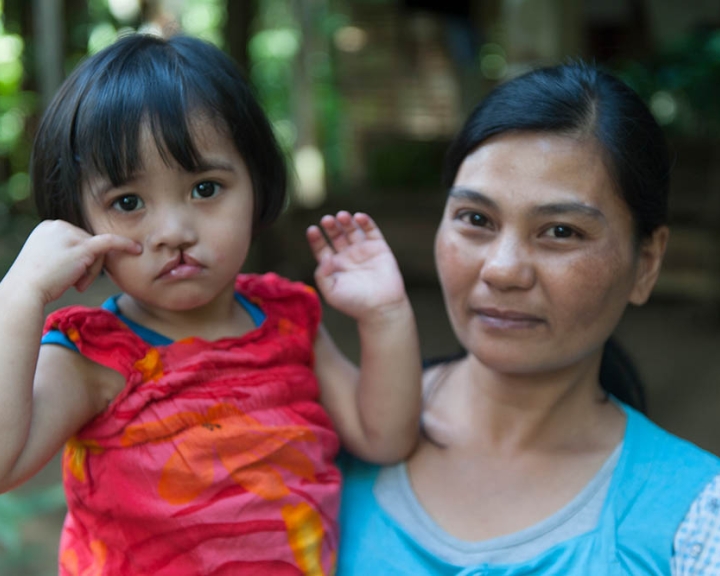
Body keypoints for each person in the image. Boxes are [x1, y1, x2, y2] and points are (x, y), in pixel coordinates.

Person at [0, 33, 422, 575]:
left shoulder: (287, 320)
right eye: (128, 202)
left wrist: (385, 316)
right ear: (79, 225)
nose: (174, 231)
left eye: (205, 188)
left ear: (257, 184)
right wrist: (19, 293)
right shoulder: (96, 358)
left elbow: (384, 437)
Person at [337, 61, 720, 575]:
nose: (502, 270)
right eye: (476, 220)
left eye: (560, 231)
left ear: (645, 264)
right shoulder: (326, 433)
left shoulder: (697, 522)